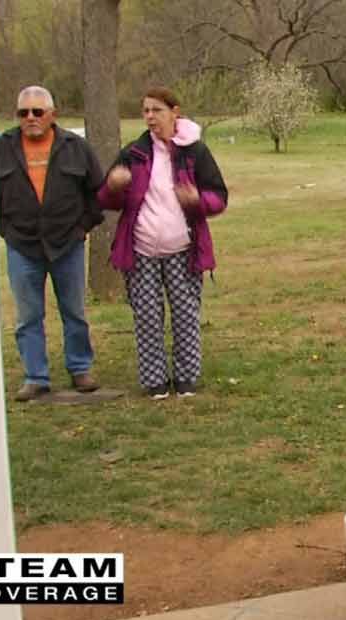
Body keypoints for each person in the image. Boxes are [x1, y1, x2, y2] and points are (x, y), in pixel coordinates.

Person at [97, 87, 228, 399]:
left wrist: (198, 200)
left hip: (182, 249)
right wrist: (113, 187)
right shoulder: (134, 153)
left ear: (174, 112)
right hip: (141, 250)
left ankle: (186, 379)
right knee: (146, 317)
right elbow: (106, 199)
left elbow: (219, 197)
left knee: (185, 315)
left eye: (157, 110)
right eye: (146, 111)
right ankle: (154, 381)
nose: (150, 117)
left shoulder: (195, 152)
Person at [0, 86, 105, 402]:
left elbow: (97, 194)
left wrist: (81, 228)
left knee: (74, 311)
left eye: (37, 112)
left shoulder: (76, 148)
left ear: (52, 114)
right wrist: (6, 230)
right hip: (22, 245)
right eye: (23, 112)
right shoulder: (1, 149)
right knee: (28, 316)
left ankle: (80, 369)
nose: (30, 118)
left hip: (67, 244)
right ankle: (36, 377)